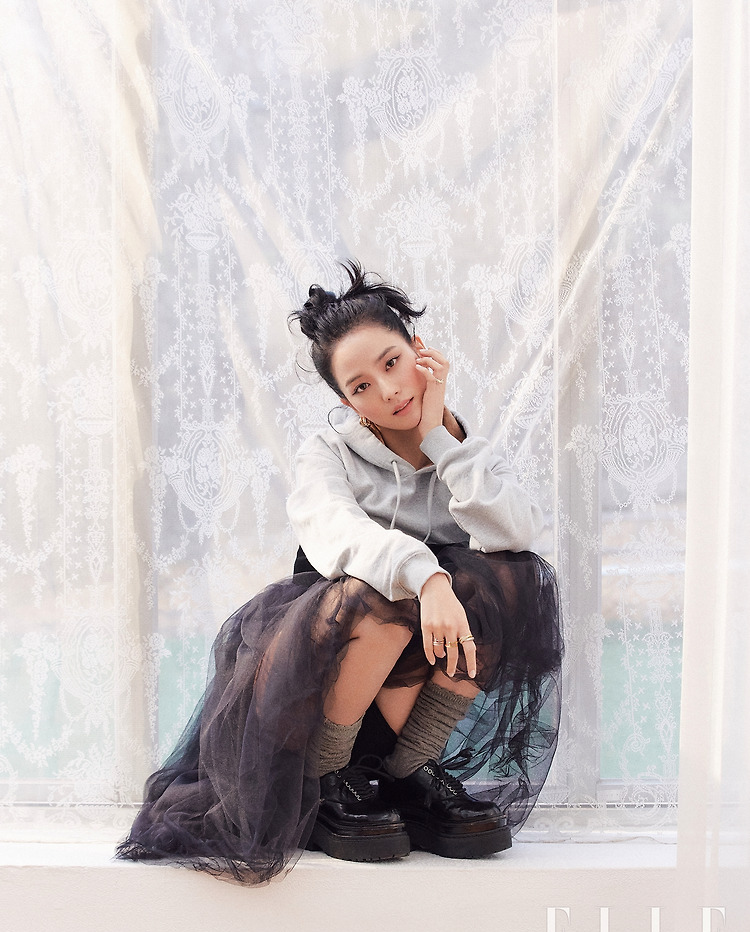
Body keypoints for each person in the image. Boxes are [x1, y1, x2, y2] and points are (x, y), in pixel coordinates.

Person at [116, 261, 563, 884]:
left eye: (392, 363)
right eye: (360, 386)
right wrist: (428, 578)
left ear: (419, 351)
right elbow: (339, 535)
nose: (388, 391)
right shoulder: (326, 454)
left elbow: (516, 529)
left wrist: (440, 440)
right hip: (332, 666)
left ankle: (410, 770)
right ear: (347, 402)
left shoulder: (463, 447)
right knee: (379, 600)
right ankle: (329, 778)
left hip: (414, 687)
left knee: (512, 578)